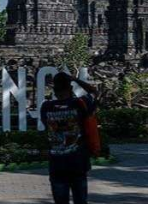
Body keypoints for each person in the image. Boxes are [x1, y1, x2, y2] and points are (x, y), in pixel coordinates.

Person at [40, 71, 98, 204]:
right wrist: (76, 79)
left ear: (54, 90)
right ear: (70, 88)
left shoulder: (46, 107)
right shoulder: (80, 104)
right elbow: (95, 92)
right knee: (80, 200)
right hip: (78, 161)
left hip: (57, 162)